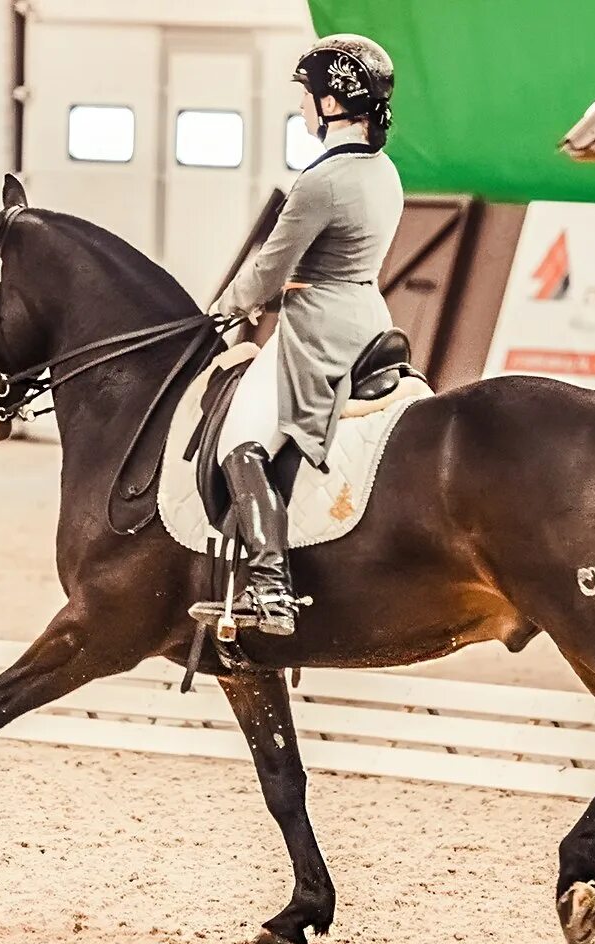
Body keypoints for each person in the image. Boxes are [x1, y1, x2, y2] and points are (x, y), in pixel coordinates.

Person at [200, 34, 404, 637]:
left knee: (240, 442)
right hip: (368, 314)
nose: (301, 108)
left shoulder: (321, 182)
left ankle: (270, 586)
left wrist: (218, 309)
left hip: (317, 328)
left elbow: (271, 270)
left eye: (306, 96)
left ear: (331, 102)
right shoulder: (383, 169)